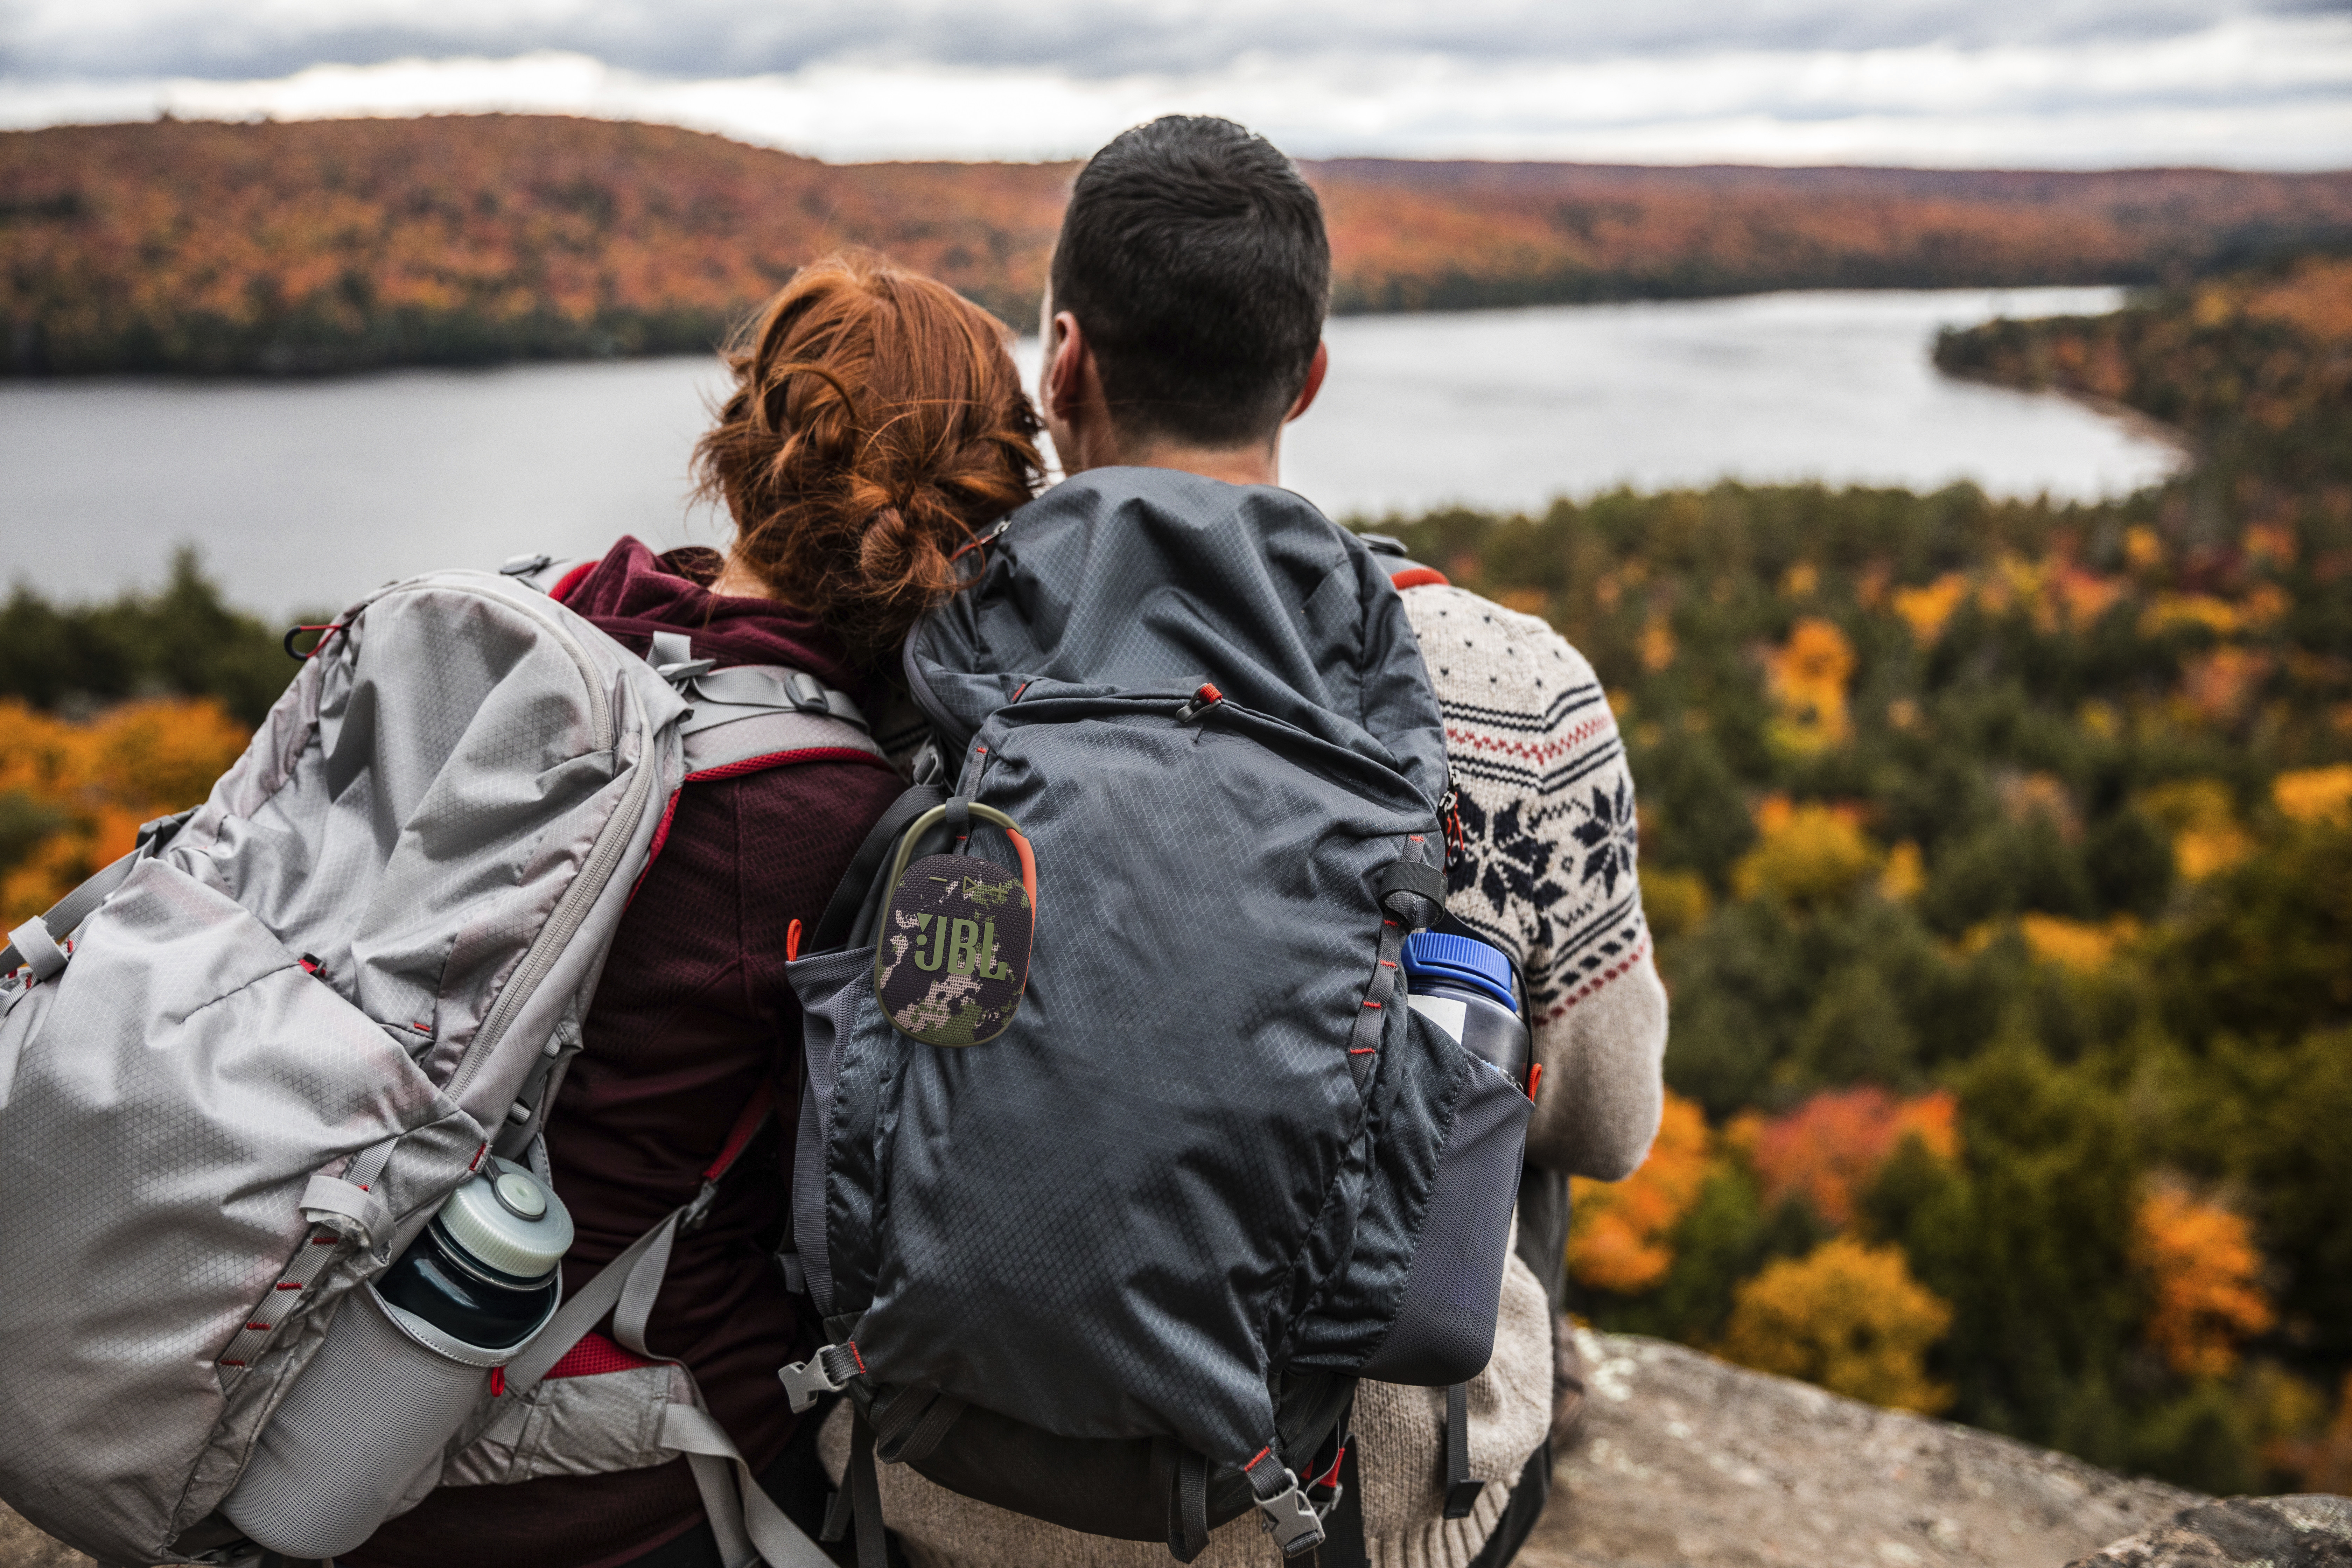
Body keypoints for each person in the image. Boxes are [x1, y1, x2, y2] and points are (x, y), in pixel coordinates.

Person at [828, 116, 1669, 1567]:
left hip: (928, 1464)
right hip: (1319, 1509)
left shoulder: (935, 650)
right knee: (1500, 1086)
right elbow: (1609, 1119)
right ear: (1310, 375)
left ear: (1067, 364)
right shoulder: (1521, 689)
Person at [343, 251, 1044, 1568]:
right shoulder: (830, 813)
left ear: (747, 444)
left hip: (346, 1339)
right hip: (578, 1463)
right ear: (970, 519)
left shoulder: (559, 628)